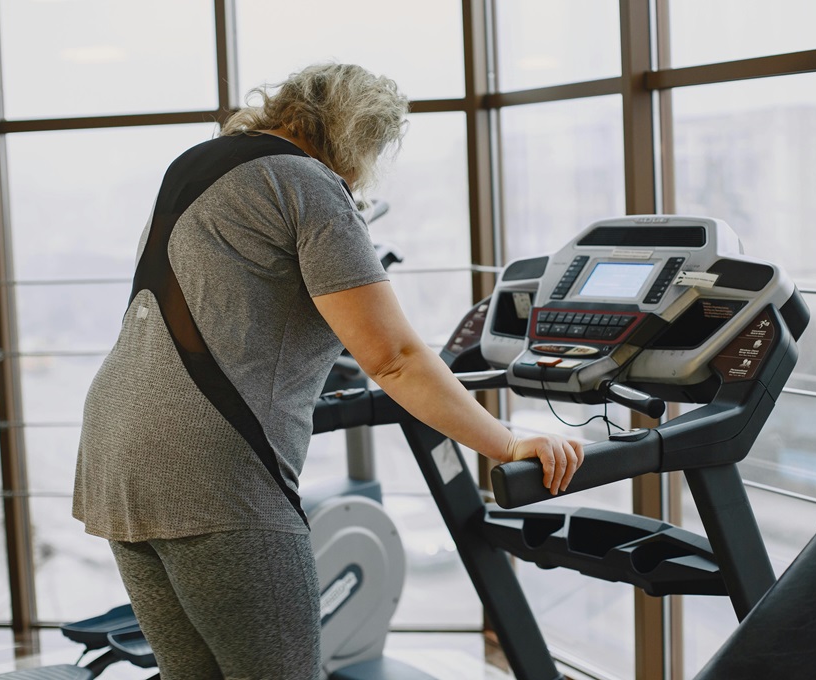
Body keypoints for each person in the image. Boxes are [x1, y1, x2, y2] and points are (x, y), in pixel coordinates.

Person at [72, 62, 584, 680]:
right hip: (211, 465)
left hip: (113, 448)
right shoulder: (308, 184)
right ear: (359, 135)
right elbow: (392, 357)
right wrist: (504, 443)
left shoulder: (198, 164)